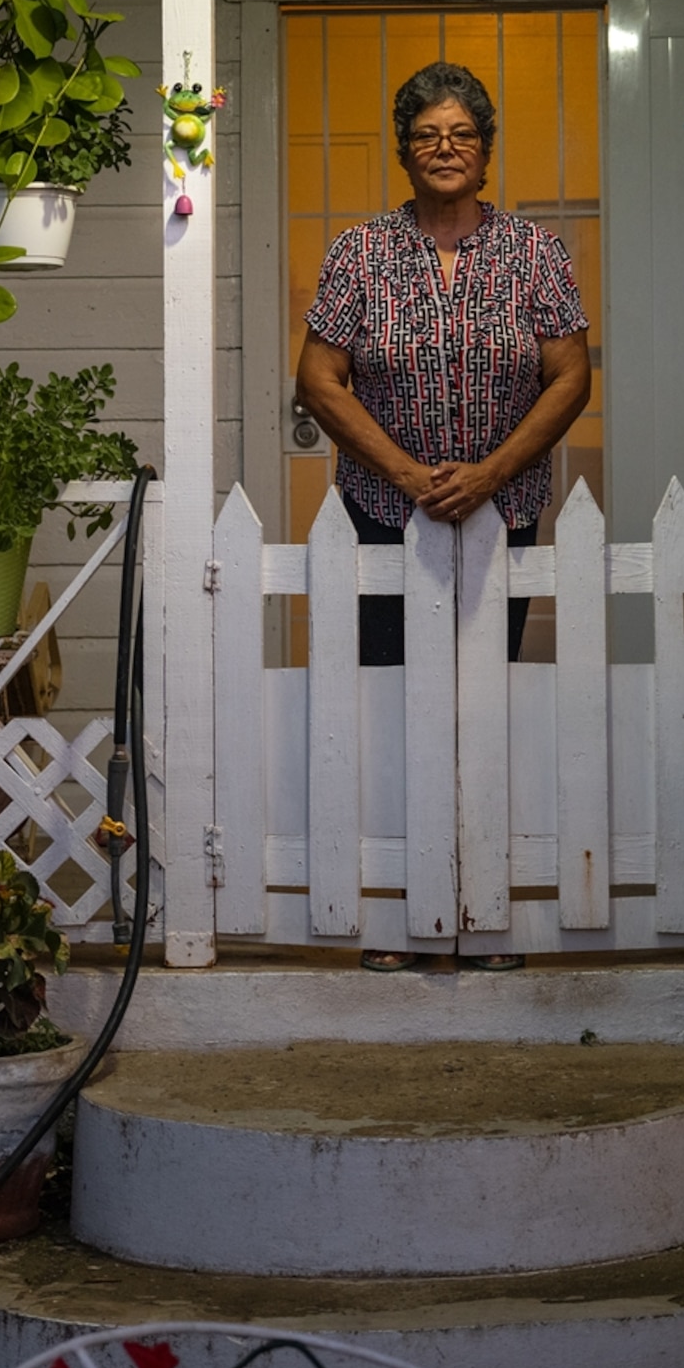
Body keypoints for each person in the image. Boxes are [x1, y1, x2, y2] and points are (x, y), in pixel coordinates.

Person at [296, 61, 591, 970]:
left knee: (482, 706)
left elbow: (570, 375)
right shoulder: (358, 253)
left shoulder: (536, 253)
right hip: (383, 514)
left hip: (505, 517)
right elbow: (318, 377)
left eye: (462, 134)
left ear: (487, 148)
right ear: (404, 150)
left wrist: (491, 475)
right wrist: (414, 474)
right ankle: (396, 917)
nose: (445, 149)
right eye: (427, 135)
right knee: (390, 707)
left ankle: (481, 912)